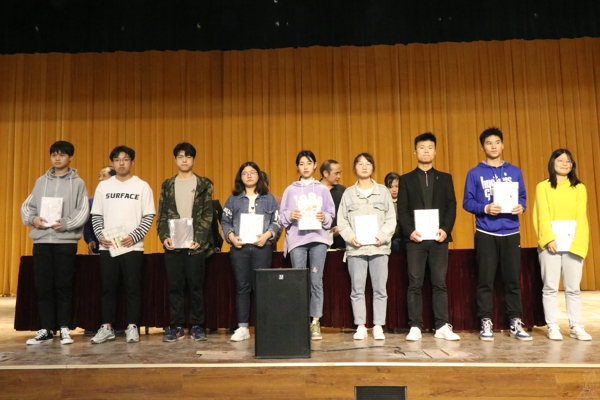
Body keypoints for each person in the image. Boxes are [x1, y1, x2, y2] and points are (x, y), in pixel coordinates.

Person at [463, 127, 532, 341]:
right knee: (485, 280)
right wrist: (485, 208)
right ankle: (485, 321)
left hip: (511, 232)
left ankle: (515, 321)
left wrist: (521, 206)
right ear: (482, 147)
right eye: (488, 143)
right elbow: (467, 202)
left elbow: (522, 197)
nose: (493, 146)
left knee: (512, 280)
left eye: (497, 142)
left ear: (503, 145)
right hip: (486, 232)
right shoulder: (474, 173)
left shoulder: (515, 171)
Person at [21, 141, 89, 345]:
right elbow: (28, 207)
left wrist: (66, 224)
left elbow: (83, 210)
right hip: (42, 241)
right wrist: (33, 219)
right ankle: (46, 328)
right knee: (43, 286)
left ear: (70, 157)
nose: (57, 158)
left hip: (65, 242)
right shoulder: (41, 181)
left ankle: (65, 328)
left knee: (63, 285)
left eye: (62, 155)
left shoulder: (78, 183)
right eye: (54, 155)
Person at [90, 145, 156, 344]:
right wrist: (100, 236)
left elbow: (148, 216)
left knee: (133, 288)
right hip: (108, 246)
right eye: (117, 159)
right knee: (108, 288)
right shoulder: (104, 187)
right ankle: (107, 327)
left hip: (132, 246)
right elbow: (96, 215)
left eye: (125, 159)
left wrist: (134, 237)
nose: (121, 163)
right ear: (112, 163)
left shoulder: (142, 186)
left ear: (132, 163)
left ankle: (132, 326)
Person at [398, 133, 460, 341]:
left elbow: (451, 206)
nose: (426, 151)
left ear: (435, 151)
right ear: (415, 151)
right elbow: (402, 209)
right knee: (414, 283)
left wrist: (446, 229)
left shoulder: (445, 178)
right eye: (422, 147)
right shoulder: (405, 180)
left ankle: (441, 325)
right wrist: (409, 231)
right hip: (415, 239)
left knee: (439, 283)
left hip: (438, 238)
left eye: (430, 147)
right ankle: (415, 325)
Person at [157, 142, 214, 342]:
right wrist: (164, 236)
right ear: (175, 159)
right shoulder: (167, 185)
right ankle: (177, 326)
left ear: (193, 160)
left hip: (195, 246)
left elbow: (208, 214)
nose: (184, 160)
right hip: (173, 245)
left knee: (196, 287)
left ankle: (197, 326)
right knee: (175, 287)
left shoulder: (204, 184)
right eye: (180, 156)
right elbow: (162, 216)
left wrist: (199, 239)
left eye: (188, 156)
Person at [533, 149, 591, 341]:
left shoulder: (579, 188)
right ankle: (552, 326)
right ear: (552, 163)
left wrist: (578, 242)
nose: (565, 164)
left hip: (573, 244)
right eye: (560, 160)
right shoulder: (543, 187)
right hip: (550, 244)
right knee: (550, 287)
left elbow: (581, 216)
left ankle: (576, 326)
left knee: (573, 288)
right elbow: (542, 214)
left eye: (568, 161)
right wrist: (548, 239)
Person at [337, 153, 396, 340]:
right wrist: (350, 237)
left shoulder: (383, 192)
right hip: (356, 250)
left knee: (380, 289)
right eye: (360, 164)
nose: (364, 167)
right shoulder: (348, 194)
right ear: (355, 168)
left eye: (368, 163)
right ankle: (361, 325)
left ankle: (378, 325)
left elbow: (391, 219)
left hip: (379, 248)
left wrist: (381, 237)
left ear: (373, 167)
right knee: (357, 289)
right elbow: (342, 222)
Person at [221, 162, 281, 342]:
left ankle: (264, 327)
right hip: (239, 249)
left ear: (258, 176)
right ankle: (243, 327)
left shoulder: (269, 198)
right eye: (245, 173)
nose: (249, 175)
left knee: (262, 287)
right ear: (240, 177)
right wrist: (231, 237)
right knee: (242, 287)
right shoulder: (233, 199)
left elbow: (276, 221)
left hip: (262, 248)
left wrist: (267, 235)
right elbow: (225, 221)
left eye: (252, 172)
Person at [280, 150, 335, 341]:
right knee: (298, 281)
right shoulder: (290, 190)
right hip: (298, 240)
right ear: (297, 167)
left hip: (318, 240)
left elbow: (330, 215)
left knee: (316, 281)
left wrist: (324, 217)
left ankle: (315, 321)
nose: (305, 167)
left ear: (315, 165)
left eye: (309, 163)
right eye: (302, 163)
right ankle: (299, 320)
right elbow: (282, 217)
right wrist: (290, 215)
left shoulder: (322, 190)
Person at [84, 166, 116, 254]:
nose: (100, 179)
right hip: (98, 244)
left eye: (104, 176)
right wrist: (90, 239)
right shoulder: (92, 201)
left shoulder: (121, 199)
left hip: (119, 242)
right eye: (99, 176)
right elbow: (88, 223)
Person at [319, 160, 346, 250]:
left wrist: (341, 227)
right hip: (318, 239)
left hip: (340, 240)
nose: (339, 176)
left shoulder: (343, 191)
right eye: (336, 173)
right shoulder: (314, 190)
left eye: (340, 173)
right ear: (325, 173)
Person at [384, 172, 402, 251]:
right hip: (389, 238)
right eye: (390, 187)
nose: (394, 190)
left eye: (397, 186)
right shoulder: (384, 203)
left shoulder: (405, 202)